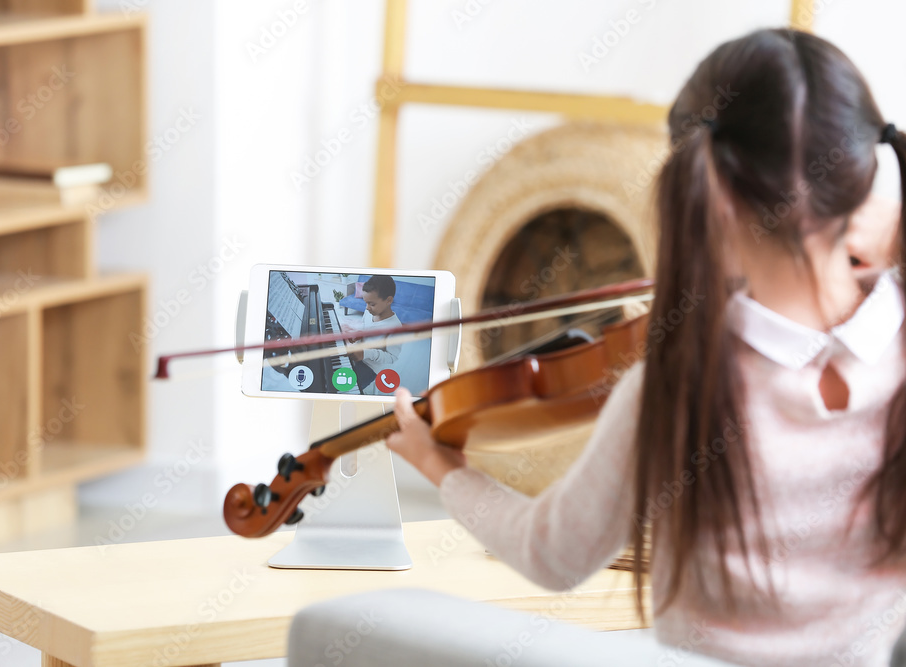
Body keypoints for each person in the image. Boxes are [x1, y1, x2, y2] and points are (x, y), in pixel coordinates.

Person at [387, 28, 906, 667]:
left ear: (706, 190)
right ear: (862, 174)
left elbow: (551, 555)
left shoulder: (678, 388)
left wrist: (442, 468)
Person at [346, 275, 402, 394]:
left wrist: (365, 353)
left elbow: (392, 357)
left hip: (371, 367)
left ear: (389, 300)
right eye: (366, 303)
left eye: (372, 304)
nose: (367, 308)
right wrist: (358, 335)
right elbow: (365, 328)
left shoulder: (395, 327)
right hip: (357, 354)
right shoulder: (368, 312)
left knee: (347, 388)